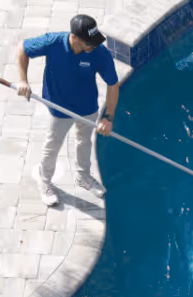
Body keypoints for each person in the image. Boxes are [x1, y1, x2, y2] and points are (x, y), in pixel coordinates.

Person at [16, 14, 118, 207]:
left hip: (87, 107)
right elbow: (22, 49)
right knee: (52, 145)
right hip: (59, 108)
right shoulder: (53, 42)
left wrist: (108, 117)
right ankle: (44, 180)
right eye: (89, 42)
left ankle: (83, 177)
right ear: (74, 37)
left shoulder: (98, 52)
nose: (93, 46)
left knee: (84, 141)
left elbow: (113, 84)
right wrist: (23, 80)